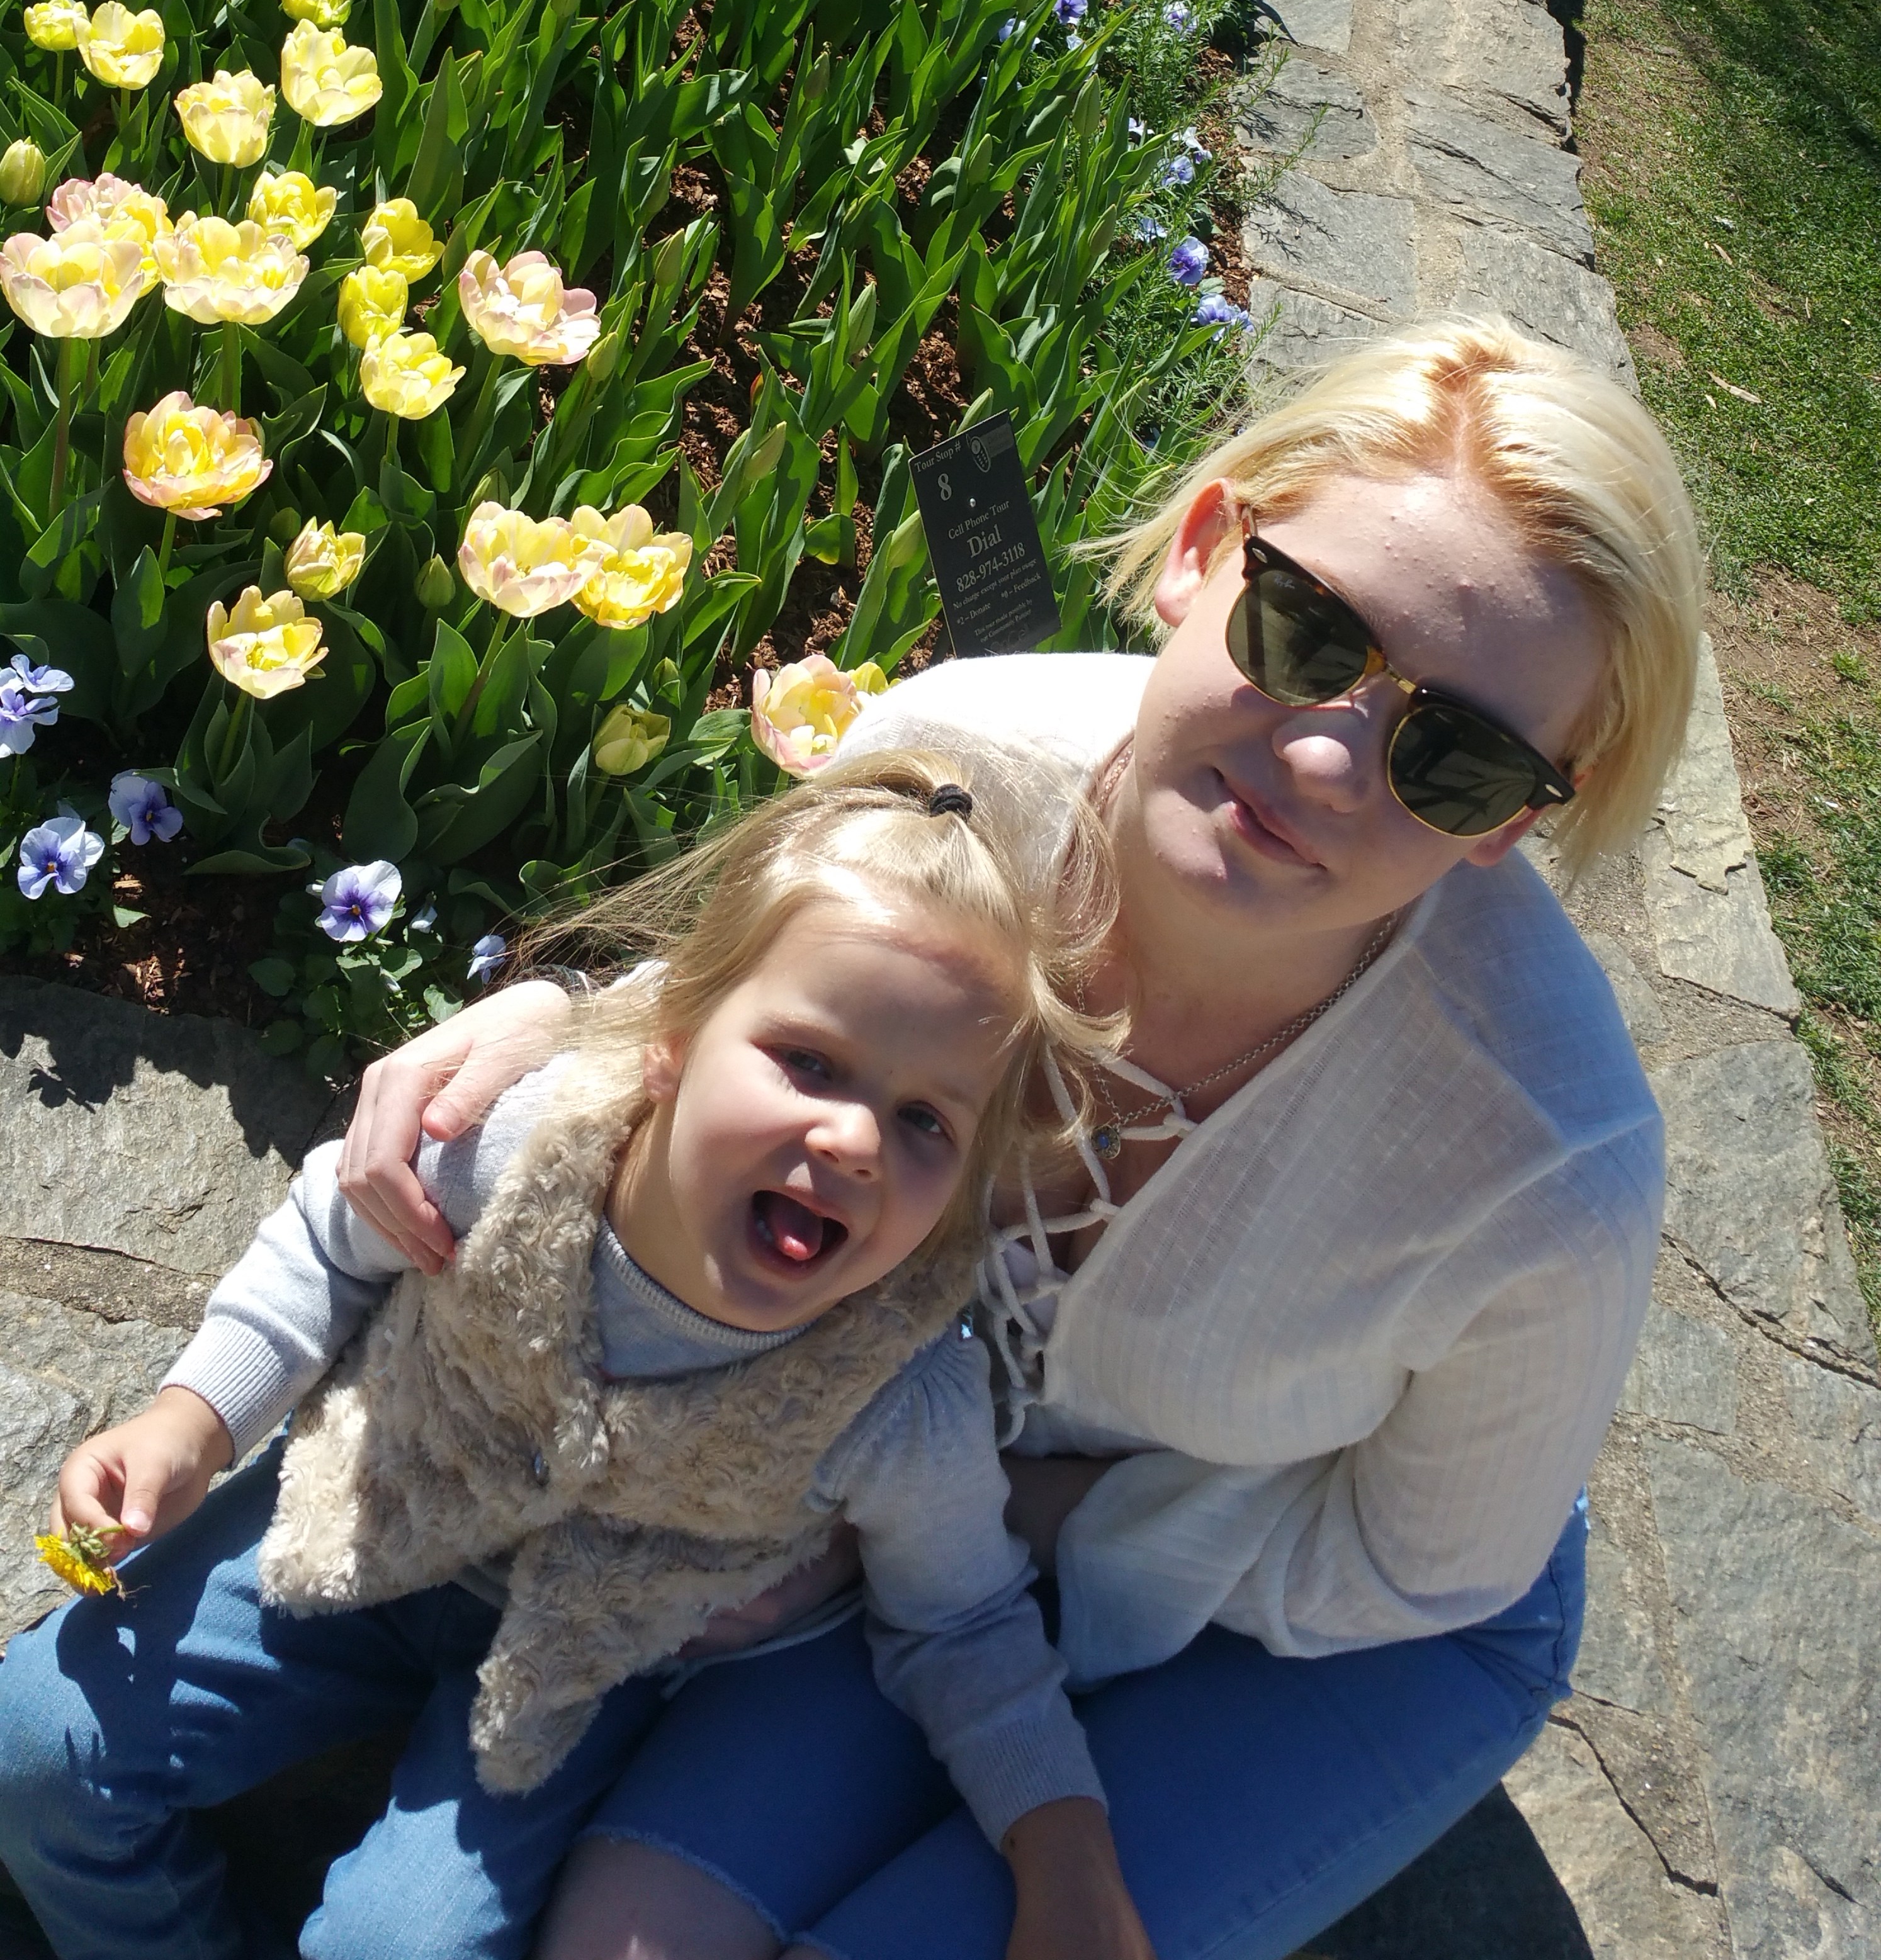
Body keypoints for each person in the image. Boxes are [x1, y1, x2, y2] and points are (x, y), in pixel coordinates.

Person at [332, 313, 1703, 1960]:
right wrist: (559, 1026)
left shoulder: (1542, 1164)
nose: (1327, 753)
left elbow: (1418, 1572)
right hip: (951, 1525)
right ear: (1202, 551)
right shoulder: (960, 763)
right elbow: (771, 993)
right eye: (1307, 628)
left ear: (1514, 824)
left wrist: (958, 1505)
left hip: (1346, 1592)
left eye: (1458, 756)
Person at [0, 753, 1155, 1960]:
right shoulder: (516, 1146)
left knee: (398, 1950)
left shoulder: (894, 1391)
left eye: (926, 1121)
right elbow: (332, 1243)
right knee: (41, 1740)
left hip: (584, 1659)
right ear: (672, 1042)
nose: (856, 1139)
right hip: (376, 1491)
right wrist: (194, 1418)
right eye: (810, 1062)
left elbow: (961, 1621)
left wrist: (1061, 1841)